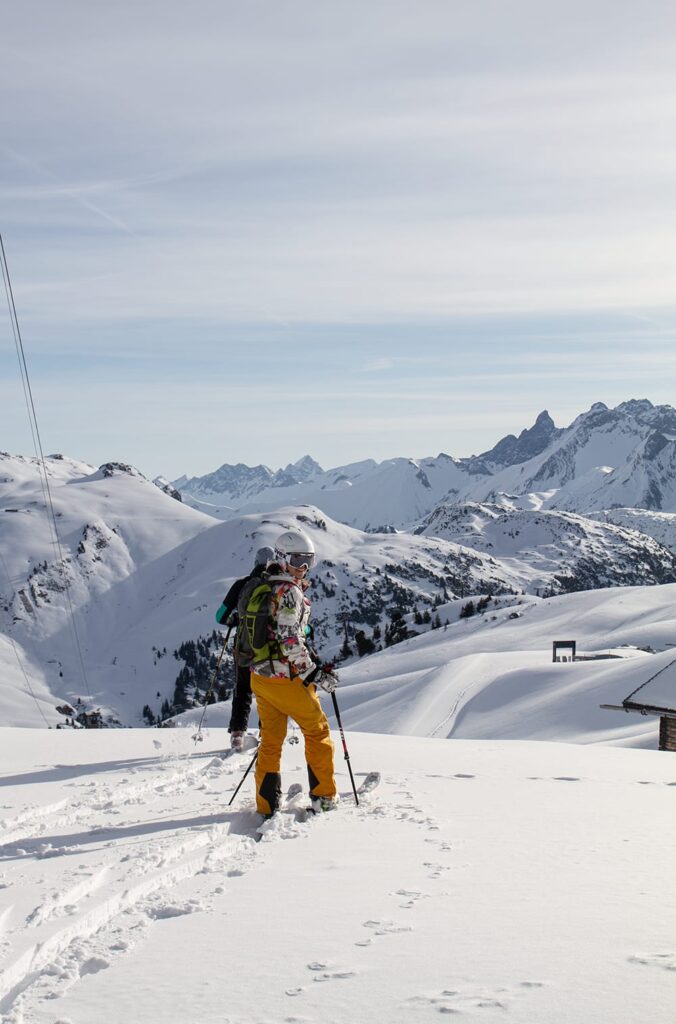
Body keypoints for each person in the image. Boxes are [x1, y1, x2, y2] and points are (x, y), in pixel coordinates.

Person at [249, 528, 339, 817]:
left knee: (272, 740)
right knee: (317, 731)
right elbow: (289, 638)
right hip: (285, 680)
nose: (303, 568)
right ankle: (324, 796)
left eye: (308, 561)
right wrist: (313, 673)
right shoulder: (290, 593)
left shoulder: (265, 584)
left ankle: (265, 805)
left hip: (260, 677)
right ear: (282, 557)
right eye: (298, 560)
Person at [215, 546, 274, 751]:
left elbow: (219, 616)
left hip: (243, 647)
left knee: (243, 690)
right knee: (268, 693)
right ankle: (266, 732)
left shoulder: (242, 585)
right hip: (269, 651)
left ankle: (237, 734)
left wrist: (234, 621)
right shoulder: (277, 586)